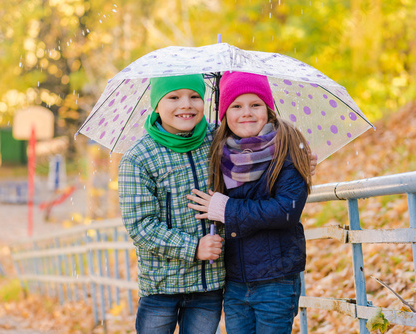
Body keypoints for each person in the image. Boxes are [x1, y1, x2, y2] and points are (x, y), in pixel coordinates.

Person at [187, 71, 313, 334]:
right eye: (236, 106)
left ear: (268, 109)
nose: (246, 112)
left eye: (255, 104)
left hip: (275, 280)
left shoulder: (288, 146)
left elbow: (285, 211)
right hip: (234, 281)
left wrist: (226, 209)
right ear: (224, 114)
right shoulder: (220, 152)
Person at [118, 74, 225, 334]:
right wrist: (193, 248)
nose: (186, 104)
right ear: (156, 105)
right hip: (160, 287)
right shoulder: (138, 158)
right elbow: (141, 226)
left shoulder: (220, 140)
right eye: (173, 97)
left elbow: (259, 151)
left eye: (194, 96)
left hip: (207, 284)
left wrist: (295, 156)